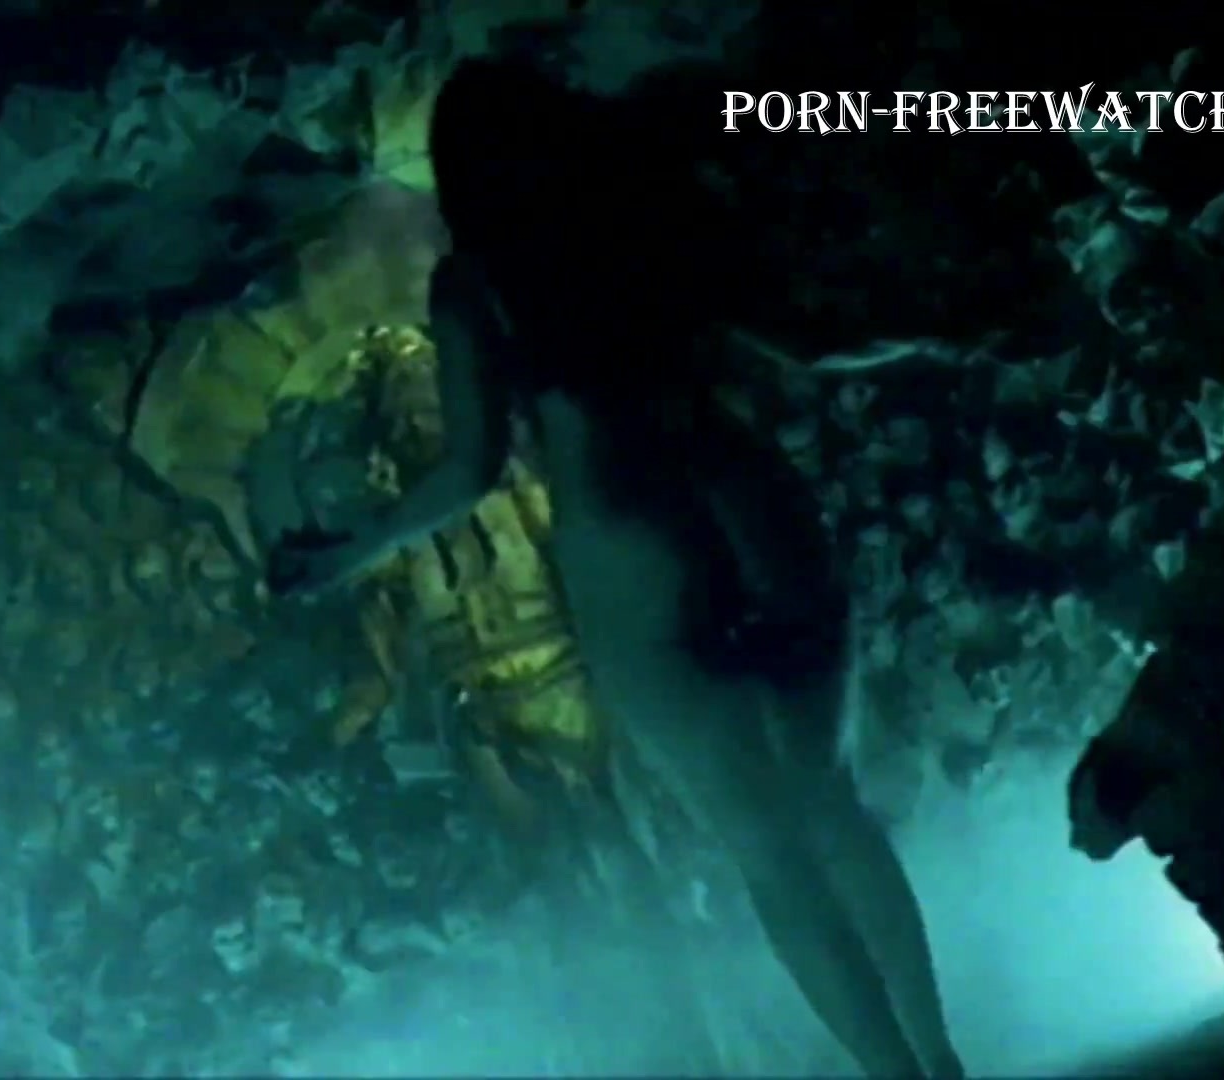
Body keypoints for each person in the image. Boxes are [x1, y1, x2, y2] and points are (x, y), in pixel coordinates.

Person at [268, 57, 964, 1078]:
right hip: (747, 501)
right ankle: (943, 1058)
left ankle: (899, 1076)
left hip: (629, 538)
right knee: (830, 801)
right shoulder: (650, 218)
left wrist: (353, 550)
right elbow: (810, 340)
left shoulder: (478, 283)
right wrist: (948, 332)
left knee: (765, 850)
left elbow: (468, 466)